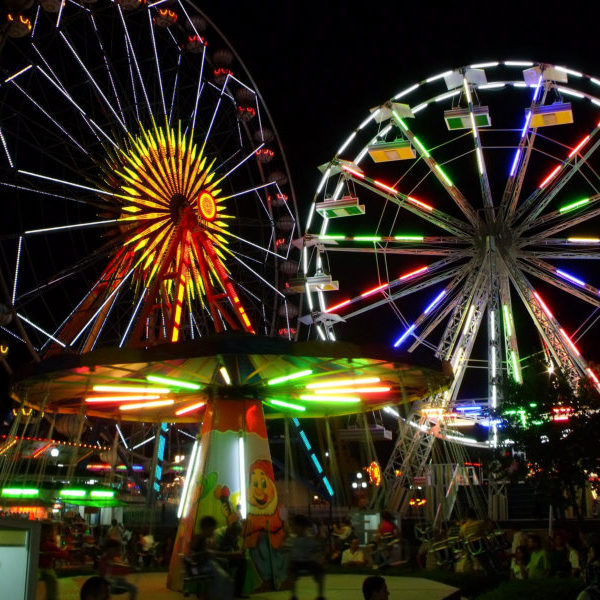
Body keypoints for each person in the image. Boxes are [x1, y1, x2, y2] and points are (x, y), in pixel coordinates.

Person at [189, 515, 234, 600]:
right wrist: (209, 553)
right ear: (206, 528)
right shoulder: (199, 539)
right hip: (199, 568)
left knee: (222, 568)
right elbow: (195, 555)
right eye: (212, 529)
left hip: (202, 566)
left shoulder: (203, 539)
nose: (213, 532)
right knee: (224, 579)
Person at [286, 514, 325, 600]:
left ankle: (320, 596)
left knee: (320, 570)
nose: (293, 528)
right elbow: (288, 552)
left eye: (294, 526)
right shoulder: (292, 540)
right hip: (296, 562)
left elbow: (318, 550)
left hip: (310, 561)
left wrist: (319, 559)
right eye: (292, 526)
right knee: (291, 570)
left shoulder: (311, 539)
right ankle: (293, 596)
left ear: (302, 527)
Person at [214, 521, 248, 597]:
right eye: (234, 535)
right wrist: (232, 554)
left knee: (243, 561)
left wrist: (240, 553)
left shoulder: (234, 536)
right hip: (216, 559)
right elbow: (215, 554)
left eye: (237, 535)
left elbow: (236, 548)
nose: (235, 537)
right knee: (223, 562)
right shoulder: (218, 535)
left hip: (227, 557)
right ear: (229, 530)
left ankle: (237, 592)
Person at [39, 523, 69, 600]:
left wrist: (51, 553)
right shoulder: (46, 544)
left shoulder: (47, 544)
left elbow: (63, 554)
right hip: (43, 569)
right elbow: (64, 554)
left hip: (43, 569)